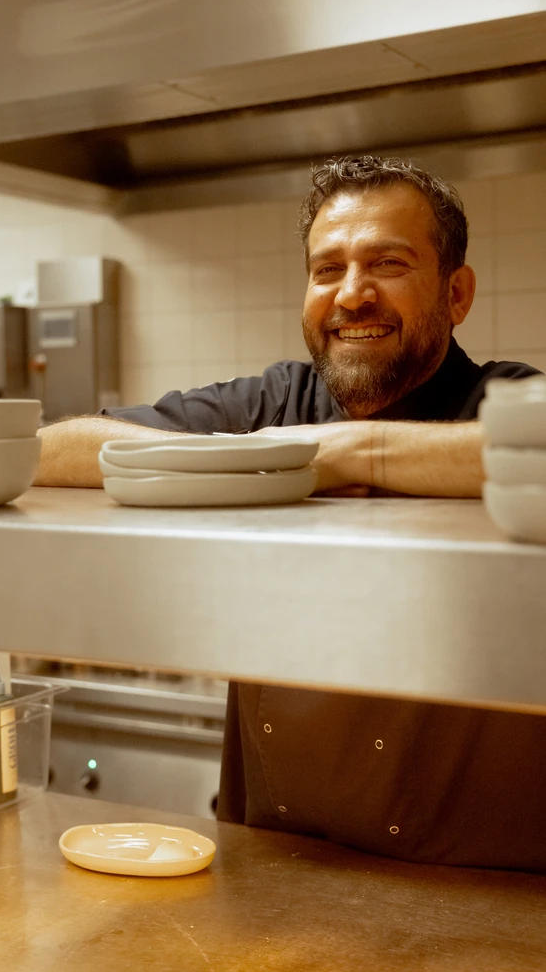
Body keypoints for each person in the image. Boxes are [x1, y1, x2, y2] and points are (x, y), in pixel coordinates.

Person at [36, 156, 546, 870]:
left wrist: (348, 453)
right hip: (274, 858)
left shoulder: (505, 399)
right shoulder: (273, 404)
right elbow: (58, 448)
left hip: (472, 869)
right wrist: (253, 457)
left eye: (388, 264)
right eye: (327, 268)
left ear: (456, 294)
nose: (352, 294)